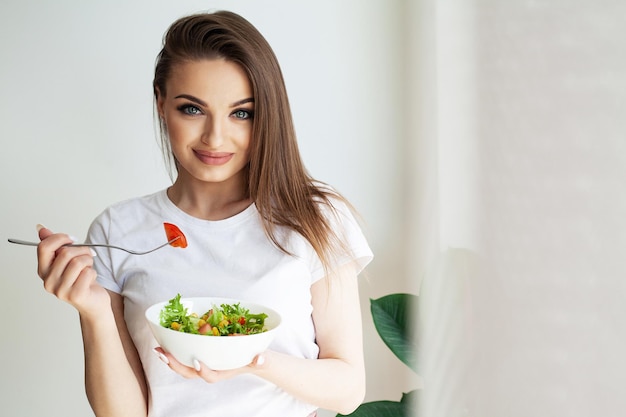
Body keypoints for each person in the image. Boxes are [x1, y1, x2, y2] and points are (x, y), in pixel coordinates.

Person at [35, 10, 372, 417]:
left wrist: (250, 360)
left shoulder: (315, 218)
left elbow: (348, 389)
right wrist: (95, 313)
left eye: (241, 113)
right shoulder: (118, 230)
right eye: (192, 109)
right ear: (160, 102)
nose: (215, 136)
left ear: (267, 114)